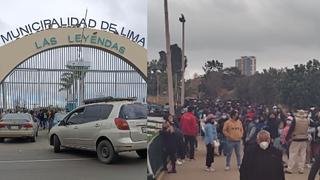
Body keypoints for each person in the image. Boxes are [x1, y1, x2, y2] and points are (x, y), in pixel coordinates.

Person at [285, 110, 309, 174]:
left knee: (293, 153)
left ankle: (290, 169)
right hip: (304, 138)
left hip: (296, 138)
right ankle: (301, 169)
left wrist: (287, 137)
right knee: (303, 154)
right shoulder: (307, 120)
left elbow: (291, 129)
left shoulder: (295, 120)